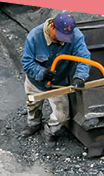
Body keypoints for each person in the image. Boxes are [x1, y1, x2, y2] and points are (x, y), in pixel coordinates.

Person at [20, 12, 91, 142]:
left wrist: (80, 77)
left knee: (62, 116)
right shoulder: (34, 37)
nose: (60, 41)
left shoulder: (75, 35)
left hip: (58, 83)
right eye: (58, 37)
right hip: (35, 81)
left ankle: (49, 131)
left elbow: (84, 58)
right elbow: (27, 63)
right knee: (33, 105)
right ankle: (33, 124)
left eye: (64, 39)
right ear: (52, 26)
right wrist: (41, 72)